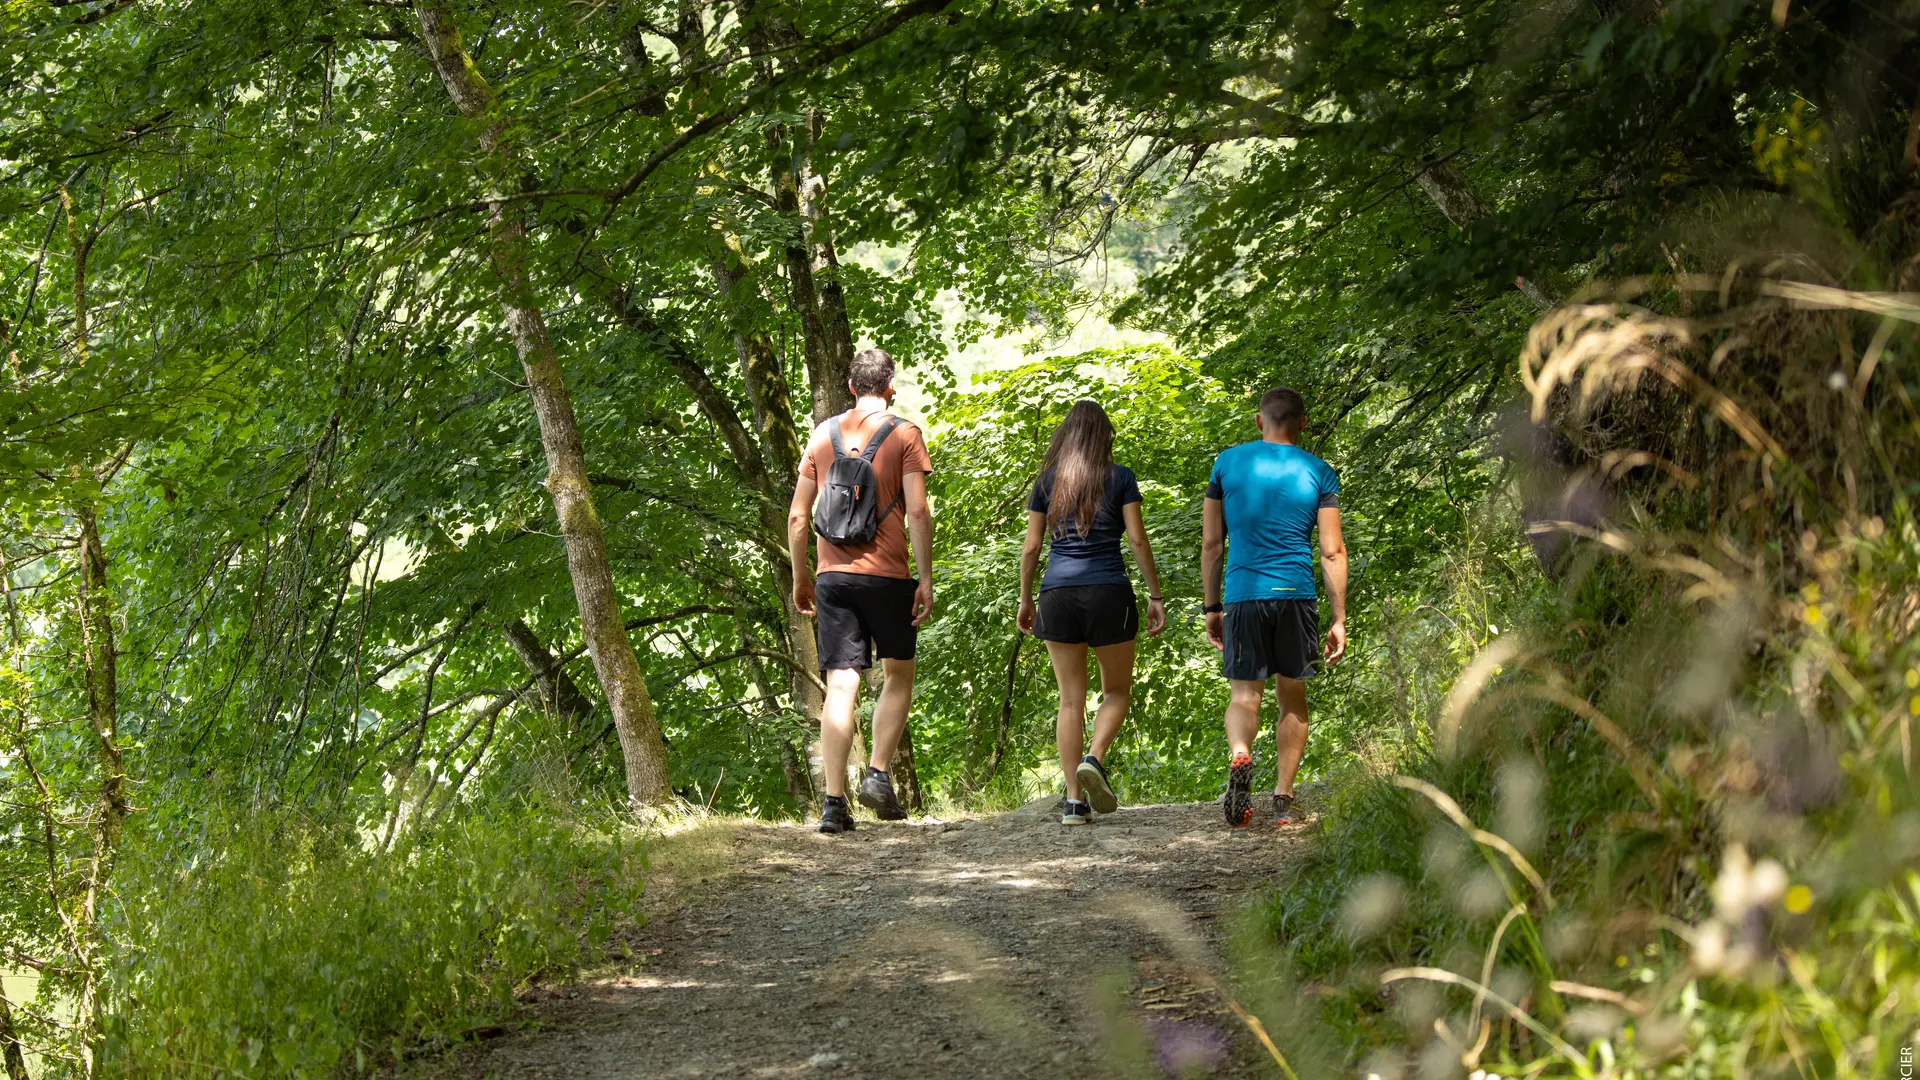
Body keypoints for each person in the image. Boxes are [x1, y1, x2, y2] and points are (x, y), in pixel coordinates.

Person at [788, 348, 934, 834]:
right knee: (898, 675)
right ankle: (877, 773)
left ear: (850, 386)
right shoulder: (905, 434)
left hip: (832, 578)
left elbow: (796, 517)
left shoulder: (821, 437)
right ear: (889, 386)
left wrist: (801, 577)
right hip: (889, 576)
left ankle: (833, 803)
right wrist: (925, 577)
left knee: (841, 684)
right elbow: (917, 511)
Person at [1200, 387, 1347, 828]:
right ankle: (1283, 799)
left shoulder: (1226, 464)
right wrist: (1338, 618)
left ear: (1258, 422)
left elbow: (1211, 542)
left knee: (1244, 695)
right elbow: (1333, 551)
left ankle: (1240, 754)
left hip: (1243, 593)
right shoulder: (1320, 471)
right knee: (1293, 700)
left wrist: (1212, 605)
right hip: (1295, 595)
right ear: (1303, 423)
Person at [1018, 400, 1167, 826]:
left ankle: (1072, 801)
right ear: (1105, 437)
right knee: (1116, 691)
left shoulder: (1047, 483)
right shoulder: (1120, 478)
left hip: (1057, 593)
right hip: (1109, 592)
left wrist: (1026, 599)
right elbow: (1137, 541)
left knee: (1070, 700)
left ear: (1065, 437)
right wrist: (1155, 595)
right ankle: (1094, 759)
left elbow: (1031, 547)